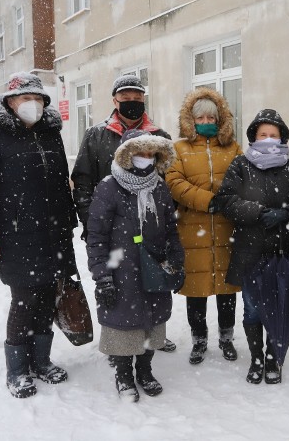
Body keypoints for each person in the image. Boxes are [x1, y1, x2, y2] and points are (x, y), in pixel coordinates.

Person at [0, 72, 77, 398]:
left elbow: (60, 182)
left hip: (54, 234)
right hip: (15, 237)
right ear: (10, 103)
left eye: (37, 99)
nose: (31, 104)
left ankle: (41, 362)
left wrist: (71, 221)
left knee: (47, 299)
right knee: (25, 300)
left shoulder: (50, 134)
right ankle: (17, 370)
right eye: (24, 99)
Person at [71, 74, 177, 353]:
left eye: (137, 98)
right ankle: (121, 344)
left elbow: (167, 184)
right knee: (119, 288)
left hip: (149, 226)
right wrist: (90, 221)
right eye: (125, 98)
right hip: (112, 228)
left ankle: (152, 333)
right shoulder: (97, 135)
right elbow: (82, 182)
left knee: (151, 280)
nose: (132, 102)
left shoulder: (159, 137)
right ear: (115, 100)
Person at [86, 129, 184, 402]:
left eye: (151, 153)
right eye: (140, 152)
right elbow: (96, 236)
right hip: (121, 270)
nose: (146, 158)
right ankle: (124, 375)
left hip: (154, 268)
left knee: (153, 323)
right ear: (127, 154)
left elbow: (171, 230)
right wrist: (102, 276)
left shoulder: (160, 187)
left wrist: (176, 261)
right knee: (122, 325)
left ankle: (144, 370)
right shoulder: (108, 187)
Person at [216, 109, 289, 384]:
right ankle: (256, 358)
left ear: (282, 137)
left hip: (285, 250)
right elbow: (227, 201)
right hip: (250, 250)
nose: (268, 139)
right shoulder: (240, 165)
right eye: (263, 134)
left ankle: (273, 357)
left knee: (279, 305)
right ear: (254, 137)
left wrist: (287, 213)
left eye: (273, 135)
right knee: (253, 308)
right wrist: (257, 212)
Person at [165, 88, 243, 365]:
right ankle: (199, 339)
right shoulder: (179, 149)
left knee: (226, 289)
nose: (206, 121)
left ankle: (226, 337)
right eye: (201, 117)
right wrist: (208, 201)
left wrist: (227, 200)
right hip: (191, 229)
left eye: (212, 116)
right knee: (195, 290)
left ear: (221, 119)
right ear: (191, 121)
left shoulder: (232, 147)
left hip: (226, 229)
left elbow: (242, 178)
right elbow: (174, 182)